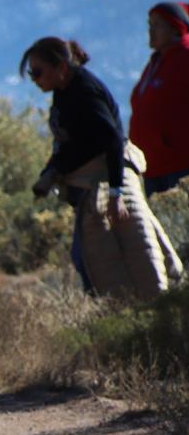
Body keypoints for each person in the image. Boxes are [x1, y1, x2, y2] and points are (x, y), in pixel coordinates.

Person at [23, 37, 172, 301]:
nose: (34, 79)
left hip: (111, 183)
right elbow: (75, 143)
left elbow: (112, 141)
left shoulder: (84, 90)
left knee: (142, 256)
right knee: (98, 263)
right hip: (93, 188)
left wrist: (116, 194)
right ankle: (127, 317)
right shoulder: (64, 90)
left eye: (37, 71)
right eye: (30, 73)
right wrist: (52, 170)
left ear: (60, 67)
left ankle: (158, 316)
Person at [131, 2, 189, 199]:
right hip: (152, 166)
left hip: (179, 166)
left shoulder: (185, 57)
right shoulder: (155, 62)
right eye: (150, 24)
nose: (150, 30)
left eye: (157, 25)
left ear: (175, 28)